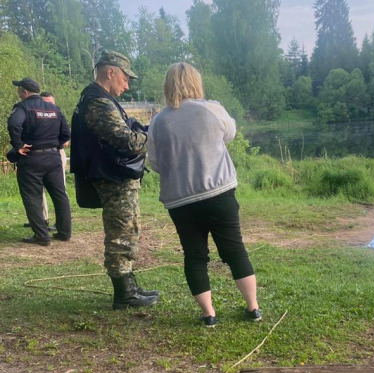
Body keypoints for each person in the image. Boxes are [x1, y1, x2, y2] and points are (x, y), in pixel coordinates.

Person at [148, 62, 260, 328]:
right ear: (196, 83)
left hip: (180, 200)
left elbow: (154, 164)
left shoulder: (157, 121)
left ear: (168, 86)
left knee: (194, 255)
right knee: (234, 250)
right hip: (218, 192)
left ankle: (209, 314)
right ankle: (252, 308)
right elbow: (230, 133)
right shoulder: (212, 108)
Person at [70, 50, 159, 310]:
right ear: (110, 72)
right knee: (120, 234)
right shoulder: (98, 102)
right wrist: (150, 135)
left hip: (114, 178)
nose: (127, 85)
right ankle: (124, 294)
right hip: (113, 180)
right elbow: (127, 141)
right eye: (125, 78)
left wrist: (138, 130)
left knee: (128, 230)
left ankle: (129, 286)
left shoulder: (100, 99)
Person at [8, 78, 71, 246]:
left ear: (24, 92)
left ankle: (41, 236)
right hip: (53, 157)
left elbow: (14, 124)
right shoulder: (54, 108)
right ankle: (64, 232)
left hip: (31, 158)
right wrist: (55, 145)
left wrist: (19, 145)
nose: (18, 93)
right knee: (59, 195)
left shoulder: (23, 107)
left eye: (19, 90)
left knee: (32, 197)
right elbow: (66, 132)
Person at [22, 91, 68, 231]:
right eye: (45, 102)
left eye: (51, 103)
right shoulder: (40, 114)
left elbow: (66, 138)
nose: (48, 105)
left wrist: (56, 145)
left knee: (58, 191)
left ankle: (59, 224)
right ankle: (41, 220)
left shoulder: (56, 114)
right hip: (46, 153)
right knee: (38, 192)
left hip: (55, 153)